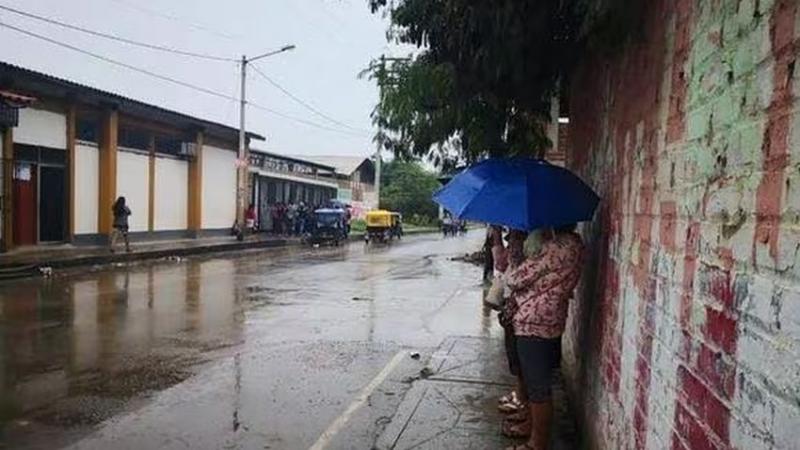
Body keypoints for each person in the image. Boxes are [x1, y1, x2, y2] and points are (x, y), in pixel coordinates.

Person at [502, 224, 584, 450]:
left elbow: (515, 278)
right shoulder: (576, 244)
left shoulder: (555, 248)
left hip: (533, 323)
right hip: (550, 319)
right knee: (533, 381)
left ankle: (537, 444)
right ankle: (531, 426)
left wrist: (520, 257)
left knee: (538, 386)